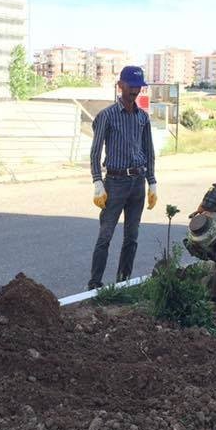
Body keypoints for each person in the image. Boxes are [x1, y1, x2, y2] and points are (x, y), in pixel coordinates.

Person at [87, 65, 158, 290]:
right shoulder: (106, 116)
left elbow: (149, 151)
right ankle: (95, 284)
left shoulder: (143, 118)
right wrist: (98, 181)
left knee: (132, 238)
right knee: (105, 236)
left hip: (137, 182)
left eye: (138, 87)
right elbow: (95, 151)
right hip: (115, 183)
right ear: (120, 86)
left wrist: (152, 182)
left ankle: (123, 282)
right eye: (131, 86)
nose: (135, 91)